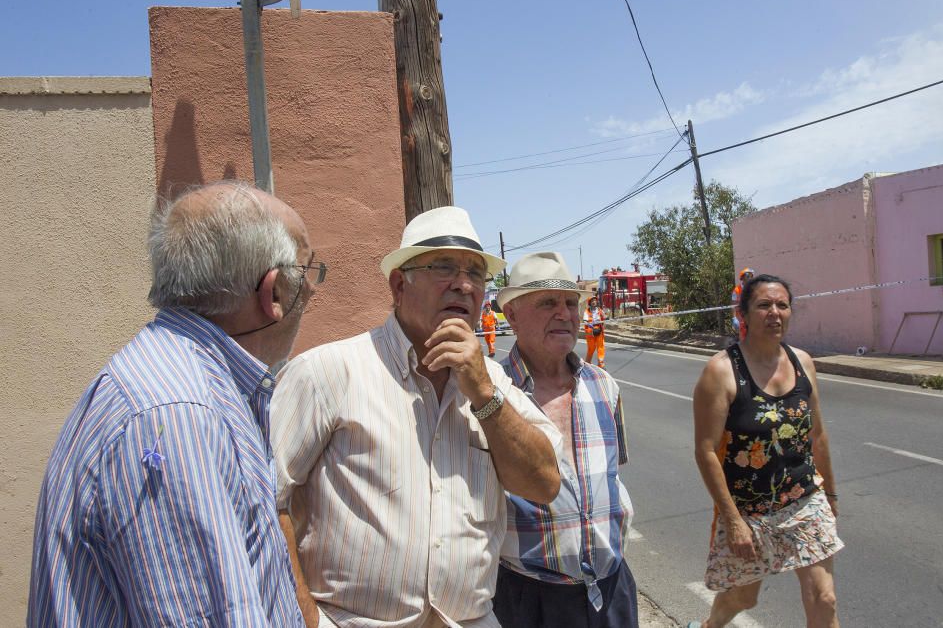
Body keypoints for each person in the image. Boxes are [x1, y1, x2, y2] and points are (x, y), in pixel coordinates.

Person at [29, 181, 321, 627]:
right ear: (274, 294)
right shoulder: (177, 414)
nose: (313, 291)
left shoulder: (194, 384)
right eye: (307, 272)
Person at [270, 206, 561, 628]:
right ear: (398, 285)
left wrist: (484, 395)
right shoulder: (329, 372)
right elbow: (264, 499)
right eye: (443, 266)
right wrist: (305, 618)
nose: (463, 285)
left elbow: (544, 483)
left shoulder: (491, 381)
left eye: (476, 274)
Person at [688, 274, 843, 628]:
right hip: (749, 511)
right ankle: (710, 625)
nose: (774, 313)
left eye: (782, 305)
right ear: (743, 313)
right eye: (763, 305)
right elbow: (706, 450)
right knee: (745, 596)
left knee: (825, 598)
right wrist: (733, 520)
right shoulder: (722, 371)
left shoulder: (802, 361)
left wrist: (830, 492)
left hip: (805, 499)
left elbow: (817, 434)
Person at [495, 252, 637, 628]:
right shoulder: (492, 393)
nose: (565, 313)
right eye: (547, 302)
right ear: (510, 315)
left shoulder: (604, 385)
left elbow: (611, 479)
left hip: (613, 590)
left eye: (571, 303)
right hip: (529, 599)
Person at [730, 268, 755, 340]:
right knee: (743, 337)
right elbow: (733, 305)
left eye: (751, 276)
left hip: (752, 315)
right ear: (743, 278)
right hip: (741, 317)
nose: (750, 278)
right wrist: (734, 318)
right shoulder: (737, 290)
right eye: (748, 276)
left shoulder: (753, 288)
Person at [583, 295, 607, 368]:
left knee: (600, 347)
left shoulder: (599, 310)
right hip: (590, 332)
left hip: (599, 330)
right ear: (590, 303)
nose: (594, 302)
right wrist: (591, 326)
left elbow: (604, 317)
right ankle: (587, 363)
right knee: (591, 348)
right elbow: (585, 321)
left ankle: (601, 363)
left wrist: (605, 317)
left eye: (595, 301)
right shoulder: (587, 311)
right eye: (592, 301)